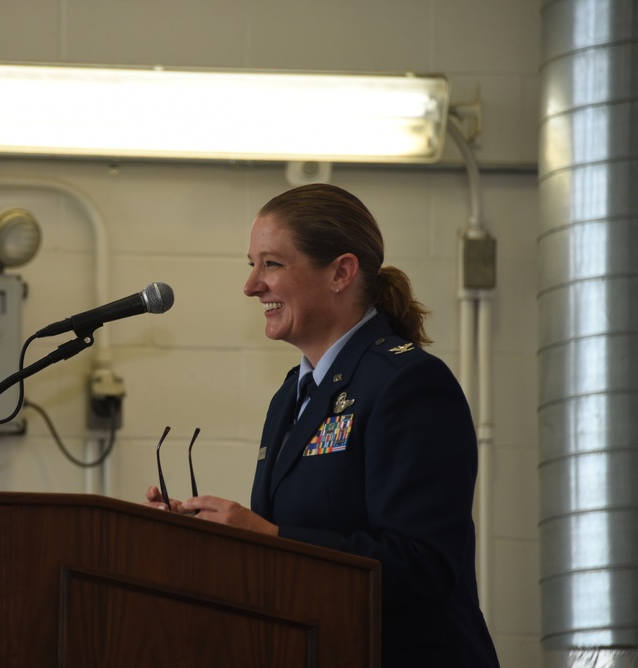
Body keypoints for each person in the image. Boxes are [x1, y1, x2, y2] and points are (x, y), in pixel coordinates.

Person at [146, 183, 500, 667]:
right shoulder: (291, 397)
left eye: (271, 264)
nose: (251, 285)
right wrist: (210, 539)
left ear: (340, 272)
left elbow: (423, 566)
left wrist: (268, 538)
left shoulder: (409, 384)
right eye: (251, 265)